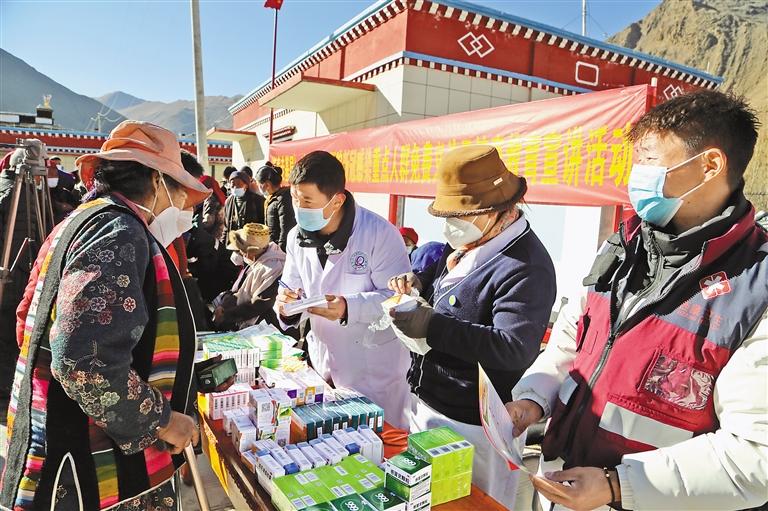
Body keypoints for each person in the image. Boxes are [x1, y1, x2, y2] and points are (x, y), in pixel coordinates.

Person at [507, 90, 768, 510]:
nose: (636, 176)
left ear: (710, 166)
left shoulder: (756, 288)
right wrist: (533, 397)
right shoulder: (624, 246)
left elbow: (756, 456)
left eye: (649, 161)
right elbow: (572, 341)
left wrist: (618, 485)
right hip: (563, 486)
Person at [0, 121, 220, 511]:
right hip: (88, 463)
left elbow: (27, 318)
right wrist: (163, 420)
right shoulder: (119, 232)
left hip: (62, 432)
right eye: (182, 196)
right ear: (157, 180)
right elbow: (83, 363)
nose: (185, 209)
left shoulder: (83, 221)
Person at [387, 146, 556, 508]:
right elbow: (456, 291)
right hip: (430, 403)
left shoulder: (526, 266)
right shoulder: (471, 242)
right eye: (447, 215)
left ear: (498, 210)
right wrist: (419, 283)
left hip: (474, 426)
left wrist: (433, 326)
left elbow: (513, 346)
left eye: (461, 215)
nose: (451, 225)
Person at [275, 151, 412, 428]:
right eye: (294, 199)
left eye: (307, 202)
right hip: (323, 360)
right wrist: (286, 307)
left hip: (372, 368)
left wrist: (349, 307)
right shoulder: (295, 236)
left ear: (337, 200)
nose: (298, 208)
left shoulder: (380, 234)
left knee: (377, 441)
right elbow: (290, 286)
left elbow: (398, 299)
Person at [213, 223, 285, 331]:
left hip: (269, 327)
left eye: (242, 251)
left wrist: (226, 315)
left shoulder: (275, 268)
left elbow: (259, 305)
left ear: (250, 253)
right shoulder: (257, 262)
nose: (241, 254)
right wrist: (223, 306)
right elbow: (239, 291)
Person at [180, 150, 226, 241]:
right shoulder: (219, 196)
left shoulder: (210, 198)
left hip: (210, 235)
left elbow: (208, 219)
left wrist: (197, 230)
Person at [255, 163, 296, 251]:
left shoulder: (283, 199)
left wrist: (279, 251)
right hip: (272, 247)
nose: (258, 188)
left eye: (259, 184)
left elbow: (285, 229)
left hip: (280, 250)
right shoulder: (272, 198)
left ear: (267, 185)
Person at [224, 169, 265, 242]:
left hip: (253, 241)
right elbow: (226, 227)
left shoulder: (258, 200)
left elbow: (263, 224)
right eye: (233, 184)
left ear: (246, 185)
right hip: (234, 241)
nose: (235, 187)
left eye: (238, 184)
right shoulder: (228, 202)